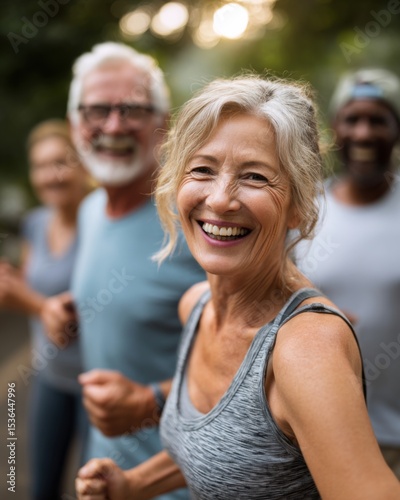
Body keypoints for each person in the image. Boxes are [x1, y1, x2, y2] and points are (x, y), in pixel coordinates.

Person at [75, 75, 400, 499]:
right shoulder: (196, 307)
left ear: (300, 205)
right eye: (203, 169)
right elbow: (232, 449)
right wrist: (133, 483)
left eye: (255, 177)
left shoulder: (305, 350)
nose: (221, 199)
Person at [40, 42, 205, 500]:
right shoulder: (92, 211)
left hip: (185, 485)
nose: (112, 125)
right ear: (76, 123)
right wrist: (66, 310)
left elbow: (266, 365)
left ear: (162, 123)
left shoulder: (203, 218)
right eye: (97, 109)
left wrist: (150, 403)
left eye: (131, 109)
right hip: (105, 477)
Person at [294, 68, 400, 479]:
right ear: (335, 127)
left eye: (378, 119)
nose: (363, 133)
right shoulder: (303, 211)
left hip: (394, 441)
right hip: (309, 439)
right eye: (352, 119)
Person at [0, 119, 90, 499]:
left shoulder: (100, 223)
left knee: (93, 487)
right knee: (42, 486)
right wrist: (11, 282)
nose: (49, 175)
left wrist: (30, 302)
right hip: (51, 377)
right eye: (40, 165)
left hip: (96, 385)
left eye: (61, 162)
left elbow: (92, 309)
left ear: (84, 164)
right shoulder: (36, 224)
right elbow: (29, 282)